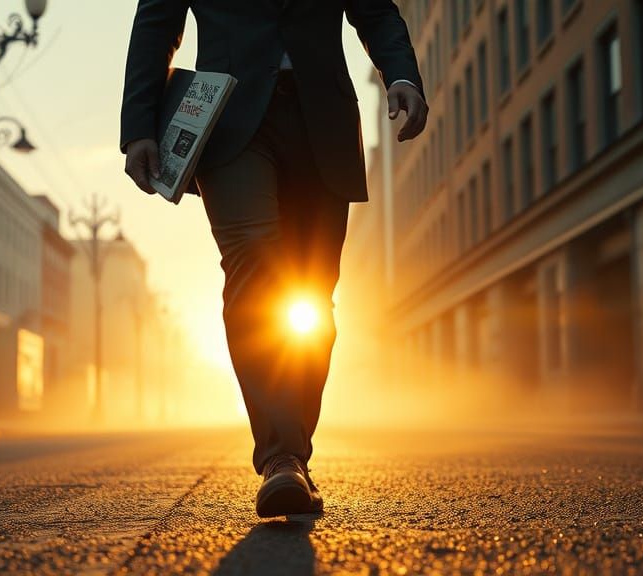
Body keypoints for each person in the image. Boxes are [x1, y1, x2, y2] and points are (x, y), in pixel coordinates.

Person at [120, 0, 427, 518]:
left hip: (321, 120)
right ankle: (281, 457)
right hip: (229, 119)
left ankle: (293, 454)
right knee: (254, 266)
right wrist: (139, 127)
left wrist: (402, 75)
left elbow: (376, 12)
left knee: (312, 295)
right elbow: (157, 21)